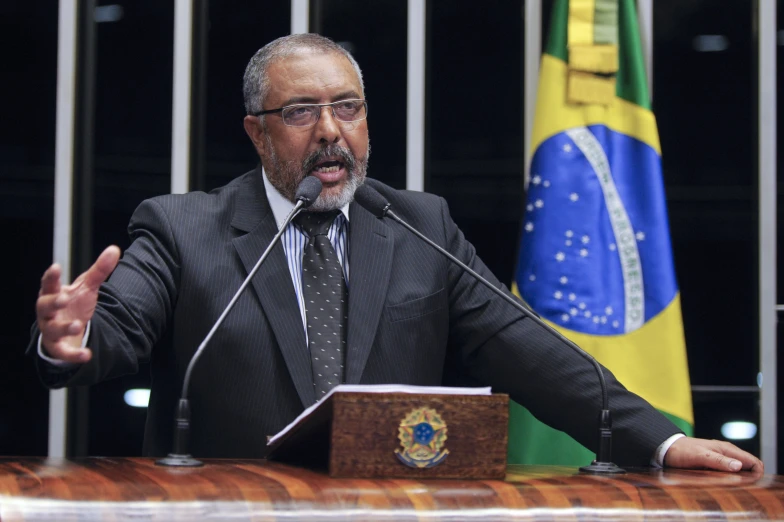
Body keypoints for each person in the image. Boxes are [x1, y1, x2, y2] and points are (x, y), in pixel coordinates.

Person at [32, 34, 762, 472]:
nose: (330, 131)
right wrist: (72, 341)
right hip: (238, 508)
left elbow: (530, 353)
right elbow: (118, 328)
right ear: (256, 133)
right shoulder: (184, 228)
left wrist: (662, 443)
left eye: (346, 108)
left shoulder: (418, 225)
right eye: (300, 113)